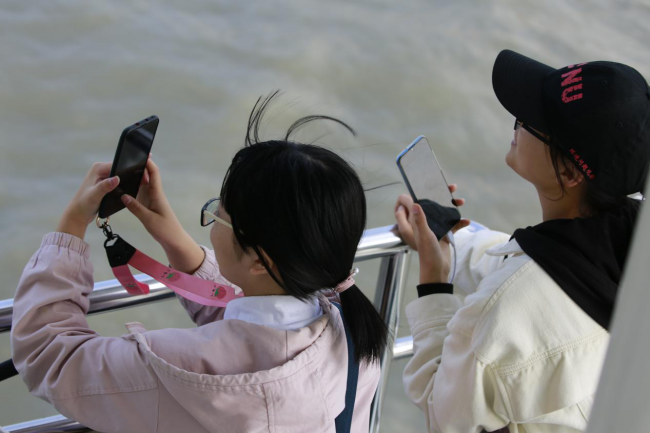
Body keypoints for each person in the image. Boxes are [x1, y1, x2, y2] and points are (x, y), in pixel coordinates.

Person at [11, 93, 385, 432]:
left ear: (260, 260)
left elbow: (50, 358)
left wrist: (73, 223)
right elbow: (253, 336)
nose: (213, 217)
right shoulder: (350, 332)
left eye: (220, 213)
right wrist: (172, 238)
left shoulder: (179, 369)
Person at [395, 50, 648, 432]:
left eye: (529, 121)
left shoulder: (503, 316)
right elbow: (541, 269)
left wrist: (433, 285)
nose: (516, 123)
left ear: (570, 171)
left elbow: (442, 415)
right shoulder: (630, 244)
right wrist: (453, 239)